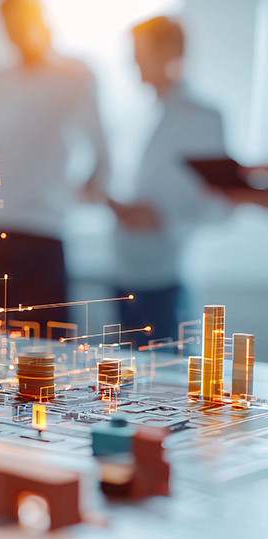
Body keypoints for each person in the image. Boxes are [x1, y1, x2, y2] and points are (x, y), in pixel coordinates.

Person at [0, 0, 109, 335]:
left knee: (51, 355)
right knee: (2, 350)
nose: (15, 35)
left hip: (47, 231)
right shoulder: (0, 79)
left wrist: (78, 194)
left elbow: (102, 152)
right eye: (8, 27)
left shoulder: (75, 75)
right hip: (2, 232)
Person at [108, 16, 226, 344]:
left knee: (165, 388)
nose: (132, 63)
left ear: (169, 52)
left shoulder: (203, 118)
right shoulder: (137, 115)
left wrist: (163, 221)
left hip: (163, 282)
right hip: (121, 275)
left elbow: (222, 207)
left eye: (139, 53)